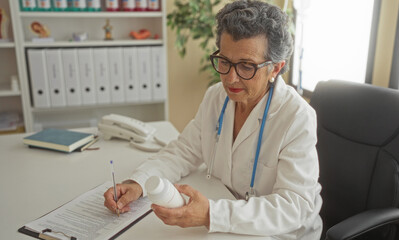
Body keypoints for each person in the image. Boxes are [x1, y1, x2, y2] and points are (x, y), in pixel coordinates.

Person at [104, 0, 322, 239]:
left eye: (247, 66)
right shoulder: (216, 97)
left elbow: (294, 207)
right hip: (225, 213)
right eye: (225, 61)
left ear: (275, 69)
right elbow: (183, 151)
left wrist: (211, 214)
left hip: (278, 232)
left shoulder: (296, 117)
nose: (230, 78)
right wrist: (138, 182)